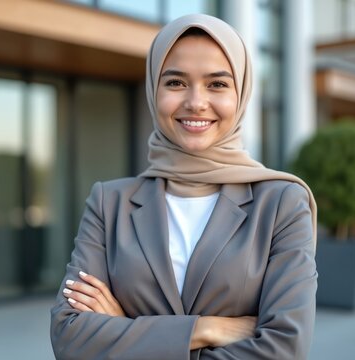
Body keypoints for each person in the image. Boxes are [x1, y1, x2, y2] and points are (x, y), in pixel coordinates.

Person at [50, 13, 318, 360]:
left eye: (217, 84)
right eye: (175, 82)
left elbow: (284, 349)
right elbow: (70, 337)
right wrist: (206, 328)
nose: (195, 101)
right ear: (153, 89)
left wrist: (127, 332)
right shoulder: (109, 202)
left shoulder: (281, 203)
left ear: (241, 93)